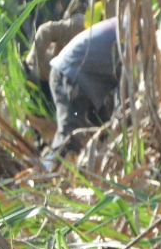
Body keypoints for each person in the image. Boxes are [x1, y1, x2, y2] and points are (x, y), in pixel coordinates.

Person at [49, 17, 120, 153]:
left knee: (105, 130)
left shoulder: (126, 23)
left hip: (82, 78)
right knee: (70, 131)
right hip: (71, 76)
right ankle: (51, 170)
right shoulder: (133, 36)